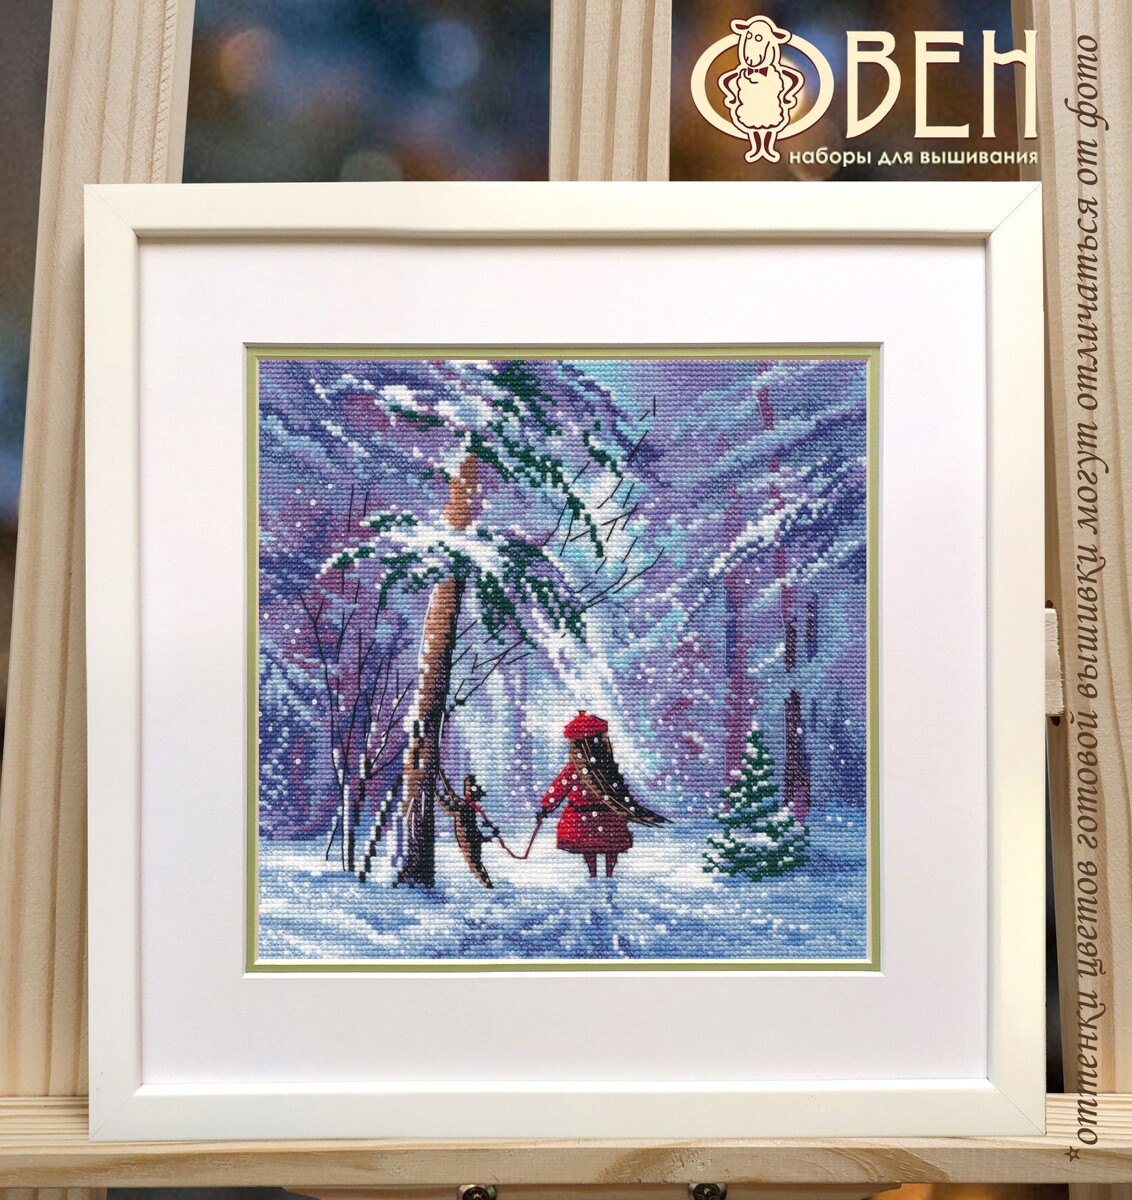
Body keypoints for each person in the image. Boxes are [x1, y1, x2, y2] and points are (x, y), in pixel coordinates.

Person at [538, 711, 667, 879]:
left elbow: (558, 788)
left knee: (589, 846)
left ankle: (593, 873)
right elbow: (620, 790)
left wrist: (546, 807)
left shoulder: (574, 769)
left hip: (582, 820)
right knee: (610, 845)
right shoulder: (607, 767)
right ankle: (608, 873)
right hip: (609, 818)